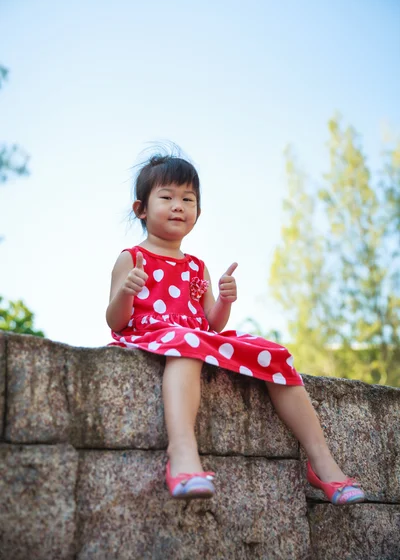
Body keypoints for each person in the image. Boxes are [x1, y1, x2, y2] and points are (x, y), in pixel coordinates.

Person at [106, 151, 365, 504]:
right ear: (141, 209)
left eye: (188, 199)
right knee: (187, 344)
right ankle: (182, 456)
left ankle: (323, 463)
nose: (178, 206)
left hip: (196, 337)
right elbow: (115, 322)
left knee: (274, 355)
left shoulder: (197, 267)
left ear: (198, 211)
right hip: (156, 337)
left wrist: (224, 301)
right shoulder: (132, 258)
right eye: (166, 197)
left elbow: (210, 323)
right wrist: (126, 292)